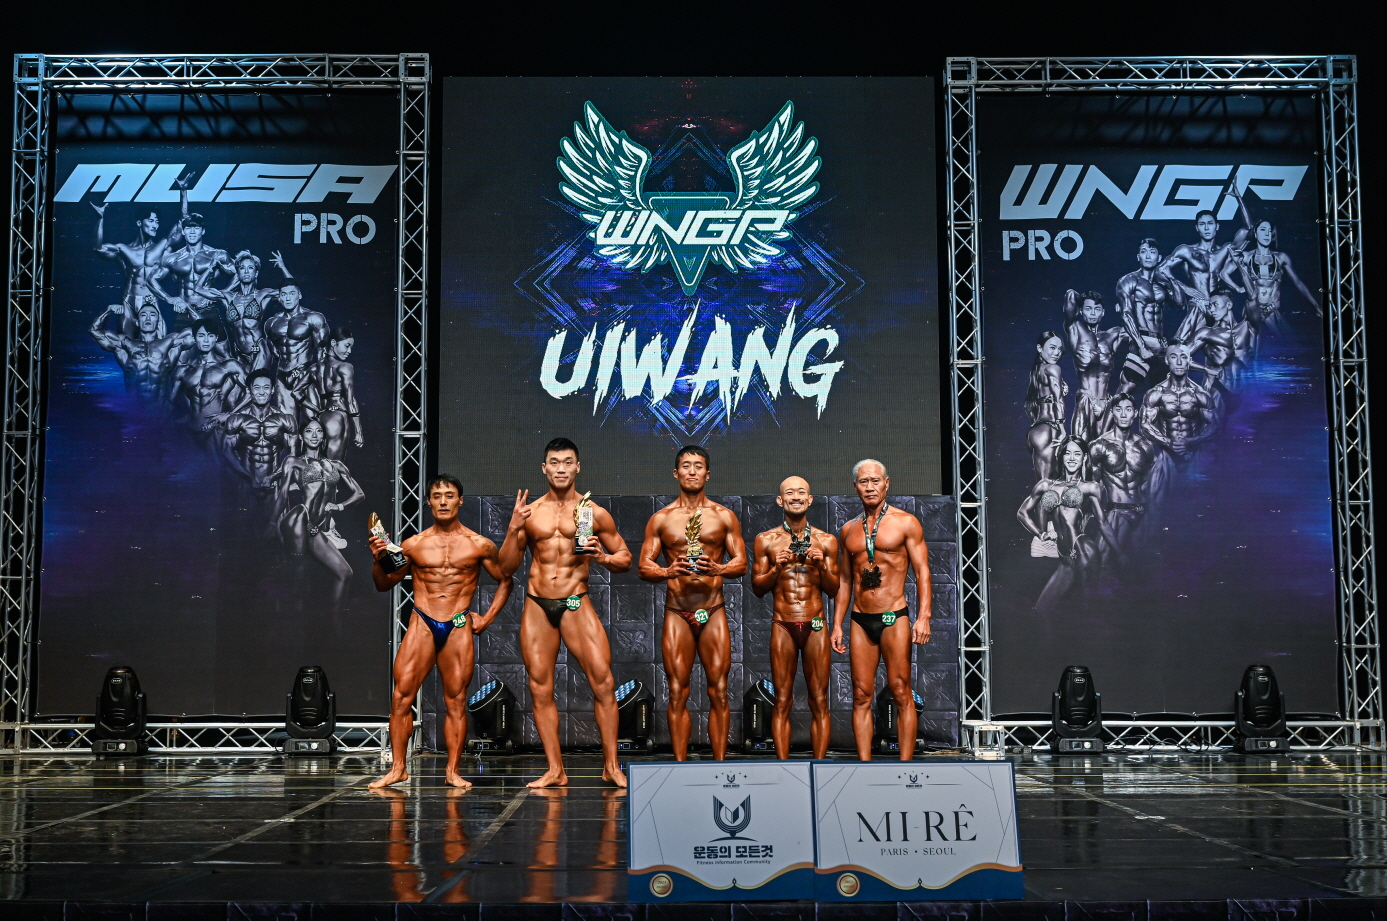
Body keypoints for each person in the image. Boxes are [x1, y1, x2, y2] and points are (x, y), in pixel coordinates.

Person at [497, 438, 632, 787]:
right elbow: (505, 568)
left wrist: (602, 557)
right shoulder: (530, 513)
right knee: (540, 688)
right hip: (537, 604)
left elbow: (625, 559)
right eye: (554, 462)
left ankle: (611, 766)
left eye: (567, 462)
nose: (561, 469)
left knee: (603, 682)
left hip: (575, 600)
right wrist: (513, 528)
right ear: (544, 468)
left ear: (578, 467)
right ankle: (555, 770)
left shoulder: (594, 512)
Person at [369, 475, 513, 789]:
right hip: (422, 620)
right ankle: (398, 769)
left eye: (449, 495)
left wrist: (487, 619)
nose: (443, 501)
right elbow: (384, 584)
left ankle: (452, 772)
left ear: (460, 501)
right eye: (437, 496)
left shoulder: (479, 544)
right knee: (401, 697)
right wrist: (378, 559)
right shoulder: (413, 545)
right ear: (429, 502)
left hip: (458, 624)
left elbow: (505, 580)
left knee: (456, 701)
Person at [638, 445, 748, 761]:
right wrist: (667, 571)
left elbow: (742, 563)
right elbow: (644, 566)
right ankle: (680, 766)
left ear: (707, 474)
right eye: (686, 466)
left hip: (713, 609)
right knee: (676, 691)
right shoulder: (661, 519)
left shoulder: (724, 516)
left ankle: (720, 765)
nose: (692, 471)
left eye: (698, 466)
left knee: (719, 690)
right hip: (677, 611)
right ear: (676, 473)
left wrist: (719, 568)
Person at [830, 459, 931, 761]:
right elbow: (845, 580)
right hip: (860, 619)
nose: (870, 487)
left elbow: (922, 572)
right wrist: (837, 624)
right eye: (864, 482)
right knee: (861, 694)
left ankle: (905, 767)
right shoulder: (849, 530)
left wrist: (923, 617)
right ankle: (864, 765)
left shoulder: (906, 523)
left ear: (887, 483)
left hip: (893, 615)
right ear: (855, 487)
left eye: (875, 481)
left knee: (900, 689)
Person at [750, 476, 840, 759]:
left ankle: (820, 766)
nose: (796, 497)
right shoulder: (765, 540)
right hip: (783, 623)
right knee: (782, 699)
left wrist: (822, 566)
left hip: (816, 624)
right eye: (790, 493)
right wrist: (776, 568)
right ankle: (783, 766)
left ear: (810, 499)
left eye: (802, 492)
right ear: (781, 500)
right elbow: (757, 589)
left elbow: (834, 589)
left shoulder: (827, 540)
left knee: (819, 699)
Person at [1017, 436, 1116, 613]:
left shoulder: (1091, 487)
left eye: (1077, 454)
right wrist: (1040, 534)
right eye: (1067, 453)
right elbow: (1022, 513)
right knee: (1041, 611)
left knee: (1089, 610)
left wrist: (1120, 554)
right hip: (1065, 559)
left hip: (1084, 552)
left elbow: (1103, 523)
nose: (1071, 458)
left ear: (1084, 458)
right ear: (1061, 456)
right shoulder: (1046, 485)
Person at [274, 418, 365, 607]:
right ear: (301, 436)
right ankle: (291, 619)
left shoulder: (336, 465)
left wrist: (339, 506)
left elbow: (359, 494)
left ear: (324, 436)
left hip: (316, 528)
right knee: (298, 573)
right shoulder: (294, 461)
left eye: (319, 431)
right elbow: (283, 495)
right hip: (300, 520)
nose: (314, 435)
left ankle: (334, 622)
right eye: (309, 431)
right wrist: (271, 522)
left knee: (344, 573)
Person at [1088, 393, 1168, 561]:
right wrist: (1101, 519)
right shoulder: (1099, 446)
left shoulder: (1145, 446)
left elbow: (1149, 483)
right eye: (1118, 410)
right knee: (1103, 564)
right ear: (1112, 413)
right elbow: (1093, 487)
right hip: (1116, 512)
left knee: (1142, 566)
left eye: (1128, 409)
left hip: (1142, 514)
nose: (1124, 414)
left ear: (1135, 413)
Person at [91, 199, 186, 337]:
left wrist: (183, 193)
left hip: (151, 301)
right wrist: (100, 218)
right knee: (126, 343)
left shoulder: (162, 247)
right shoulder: (124, 249)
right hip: (129, 301)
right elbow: (98, 248)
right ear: (139, 223)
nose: (155, 225)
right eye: (151, 221)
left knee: (158, 345)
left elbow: (182, 222)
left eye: (157, 222)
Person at [1159, 208, 1246, 336]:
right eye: (1202, 224)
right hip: (1199, 305)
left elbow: (1247, 229)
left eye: (1210, 223)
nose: (1206, 228)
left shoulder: (1224, 251)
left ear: (1217, 226)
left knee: (1232, 341)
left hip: (1217, 307)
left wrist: (1239, 199)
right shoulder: (1187, 251)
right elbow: (1159, 271)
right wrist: (1184, 287)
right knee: (1184, 342)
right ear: (1197, 228)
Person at [89, 299, 193, 399]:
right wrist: (108, 310)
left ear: (158, 322)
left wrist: (189, 308)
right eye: (143, 315)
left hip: (163, 407)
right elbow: (94, 331)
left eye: (152, 315)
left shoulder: (170, 343)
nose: (148, 318)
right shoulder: (125, 344)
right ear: (137, 322)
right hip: (134, 408)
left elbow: (200, 331)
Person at [206, 250, 291, 371]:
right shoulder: (228, 297)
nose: (246, 271)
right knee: (240, 383)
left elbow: (291, 289)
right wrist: (210, 268)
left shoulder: (262, 294)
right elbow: (198, 289)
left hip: (259, 349)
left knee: (256, 382)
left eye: (250, 268)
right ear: (238, 272)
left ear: (256, 273)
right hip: (239, 352)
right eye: (242, 268)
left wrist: (282, 267)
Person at [1115, 238, 1183, 389]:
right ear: (1138, 256)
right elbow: (1126, 314)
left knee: (1162, 394)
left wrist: (1171, 277)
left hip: (1160, 344)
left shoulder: (1162, 283)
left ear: (1159, 258)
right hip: (1141, 340)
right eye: (1143, 252)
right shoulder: (1129, 280)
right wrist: (1141, 346)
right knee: (1126, 389)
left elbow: (1180, 304)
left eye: (1152, 252)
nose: (1147, 256)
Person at [1063, 289, 1129, 444]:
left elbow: (1137, 330)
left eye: (1097, 309)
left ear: (1103, 312)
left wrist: (1124, 310)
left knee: (1108, 451)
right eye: (1088, 309)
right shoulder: (1075, 330)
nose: (1093, 313)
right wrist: (1084, 298)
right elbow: (1070, 294)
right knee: (1081, 448)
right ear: (1081, 311)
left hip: (1107, 403)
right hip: (1087, 402)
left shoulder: (1113, 335)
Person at [263, 281, 329, 421]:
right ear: (279, 297)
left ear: (299, 295)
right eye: (284, 294)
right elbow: (273, 350)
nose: (287, 298)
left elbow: (323, 352)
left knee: (314, 420)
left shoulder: (313, 318)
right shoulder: (272, 322)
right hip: (282, 376)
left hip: (305, 375)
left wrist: (317, 379)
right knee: (287, 423)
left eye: (292, 294)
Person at [166, 318, 247, 431]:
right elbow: (169, 403)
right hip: (191, 430)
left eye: (210, 335)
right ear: (194, 338)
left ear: (216, 338)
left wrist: (230, 414)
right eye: (201, 335)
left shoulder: (229, 366)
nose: (206, 340)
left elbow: (252, 392)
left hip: (217, 430)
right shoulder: (183, 370)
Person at [1142, 343, 1219, 463]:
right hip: (1165, 456)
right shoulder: (1156, 393)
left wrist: (1191, 442)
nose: (1179, 362)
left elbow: (1214, 425)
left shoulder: (1200, 394)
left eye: (1183, 357)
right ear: (1167, 360)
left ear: (1189, 360)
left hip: (1194, 456)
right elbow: (1144, 425)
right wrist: (1168, 442)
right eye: (1173, 357)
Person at [1024, 331, 1068, 481]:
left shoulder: (1037, 370)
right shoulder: (1053, 369)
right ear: (1039, 348)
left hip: (1036, 430)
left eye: (1060, 349)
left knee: (1044, 484)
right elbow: (1058, 400)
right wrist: (1062, 430)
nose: (1057, 353)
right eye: (1052, 348)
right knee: (1048, 486)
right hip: (1050, 429)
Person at [319, 327, 364, 459]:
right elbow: (350, 400)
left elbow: (297, 392)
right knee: (334, 466)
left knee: (321, 464)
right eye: (347, 346)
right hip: (338, 417)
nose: (349, 351)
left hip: (321, 417)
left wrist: (316, 411)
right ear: (333, 343)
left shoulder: (316, 367)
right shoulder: (345, 367)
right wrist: (358, 431)